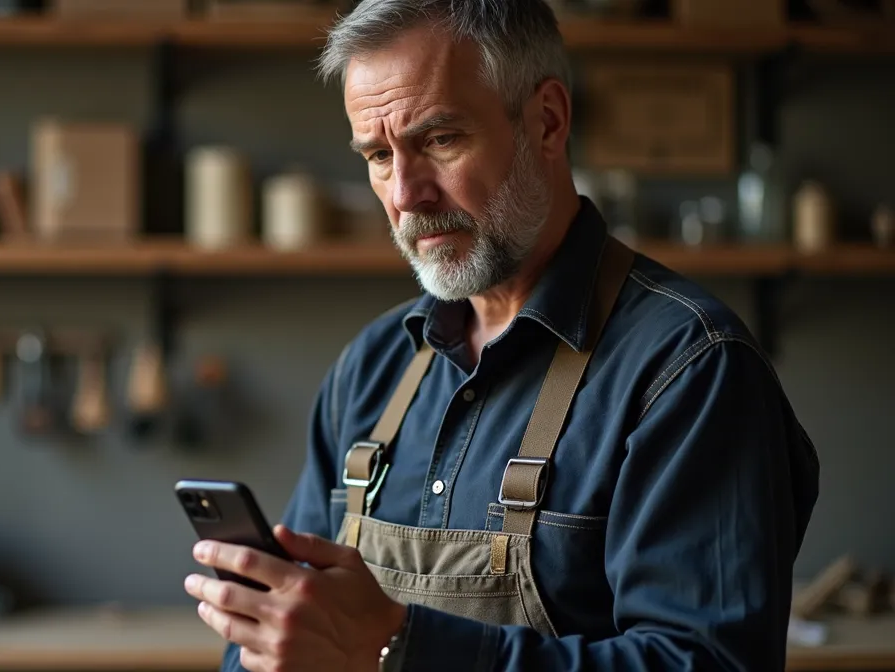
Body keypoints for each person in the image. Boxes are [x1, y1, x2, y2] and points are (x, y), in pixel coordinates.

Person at [182, 0, 821, 670]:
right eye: (377, 154)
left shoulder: (687, 369)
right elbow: (276, 639)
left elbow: (708, 664)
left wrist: (400, 647)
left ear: (546, 121)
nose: (405, 194)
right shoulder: (372, 368)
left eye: (439, 140)